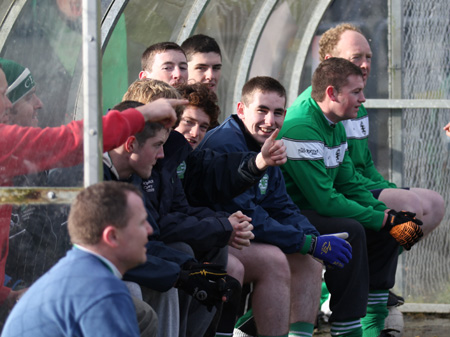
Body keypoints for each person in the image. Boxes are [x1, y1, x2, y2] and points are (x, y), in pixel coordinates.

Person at [0, 63, 185, 317]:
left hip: (20, 286)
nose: (8, 104)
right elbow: (71, 141)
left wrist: (7, 296)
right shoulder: (7, 146)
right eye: (3, 95)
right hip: (36, 279)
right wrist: (143, 114)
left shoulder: (18, 158)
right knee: (133, 310)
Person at [198, 76, 352, 337]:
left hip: (239, 236)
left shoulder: (268, 144)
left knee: (310, 260)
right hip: (212, 238)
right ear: (241, 110)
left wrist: (312, 239)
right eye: (262, 110)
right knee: (275, 260)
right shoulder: (226, 145)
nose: (270, 121)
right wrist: (307, 241)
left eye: (278, 112)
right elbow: (249, 214)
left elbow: (281, 205)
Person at [278, 58, 423, 337]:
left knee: (386, 230)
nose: (363, 98)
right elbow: (325, 201)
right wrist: (379, 218)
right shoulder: (301, 127)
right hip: (290, 214)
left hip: (314, 211)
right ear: (332, 93)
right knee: (354, 230)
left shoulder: (335, 123)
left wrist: (389, 215)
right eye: (356, 92)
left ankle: (373, 325)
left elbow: (350, 183)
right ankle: (346, 327)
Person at [314, 23, 444, 238]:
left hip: (356, 187)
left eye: (369, 57)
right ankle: (373, 263)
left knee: (435, 204)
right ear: (330, 63)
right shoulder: (319, 111)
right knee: (407, 205)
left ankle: (378, 261)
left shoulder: (359, 106)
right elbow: (338, 180)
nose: (364, 65)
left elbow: (365, 166)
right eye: (356, 57)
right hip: (337, 195)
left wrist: (389, 188)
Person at [2, 181, 154, 337]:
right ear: (112, 236)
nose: (150, 230)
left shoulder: (73, 273)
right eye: (141, 223)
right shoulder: (101, 290)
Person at [174, 82, 220, 148]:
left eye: (203, 127)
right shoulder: (155, 156)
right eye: (188, 122)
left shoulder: (201, 156)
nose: (195, 134)